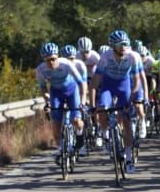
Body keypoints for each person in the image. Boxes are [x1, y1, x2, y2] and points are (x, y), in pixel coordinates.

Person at [90, 30, 141, 174]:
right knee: (102, 109)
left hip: (124, 86)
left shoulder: (133, 57)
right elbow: (95, 82)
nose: (123, 47)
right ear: (113, 46)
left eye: (126, 44)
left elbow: (136, 82)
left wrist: (131, 100)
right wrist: (93, 105)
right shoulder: (105, 57)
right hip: (108, 86)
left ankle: (129, 158)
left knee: (126, 122)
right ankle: (106, 134)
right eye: (120, 44)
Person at [36, 42, 87, 164]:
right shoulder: (40, 70)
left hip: (71, 91)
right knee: (56, 126)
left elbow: (82, 83)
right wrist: (47, 100)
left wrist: (83, 101)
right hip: (56, 93)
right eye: (48, 60)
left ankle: (80, 138)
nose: (51, 62)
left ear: (57, 56)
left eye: (53, 59)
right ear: (44, 60)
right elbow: (43, 88)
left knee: (76, 121)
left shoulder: (66, 64)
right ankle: (61, 150)